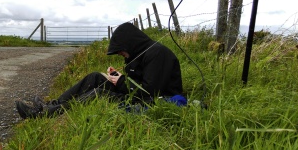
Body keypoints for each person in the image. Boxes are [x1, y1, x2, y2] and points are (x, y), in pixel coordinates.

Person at [15, 22, 185, 119]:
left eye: (120, 50)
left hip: (155, 103)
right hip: (140, 96)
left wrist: (120, 81)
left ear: (130, 43)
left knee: (99, 93)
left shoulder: (158, 54)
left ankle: (45, 115)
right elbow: (138, 83)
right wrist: (116, 77)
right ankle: (51, 105)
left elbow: (149, 93)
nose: (119, 53)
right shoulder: (140, 54)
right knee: (96, 77)